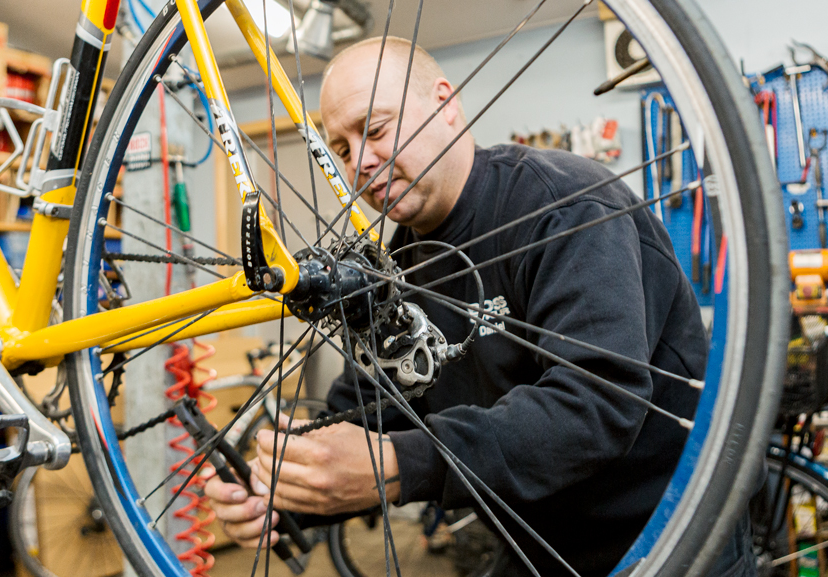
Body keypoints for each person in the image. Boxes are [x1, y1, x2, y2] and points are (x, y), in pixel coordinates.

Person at [205, 37, 755, 577]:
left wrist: (397, 465)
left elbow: (594, 408)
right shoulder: (398, 264)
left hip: (671, 537)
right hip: (536, 548)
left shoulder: (565, 205)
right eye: (342, 150)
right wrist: (288, 491)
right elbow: (374, 410)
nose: (360, 164)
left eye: (374, 130)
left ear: (445, 103)